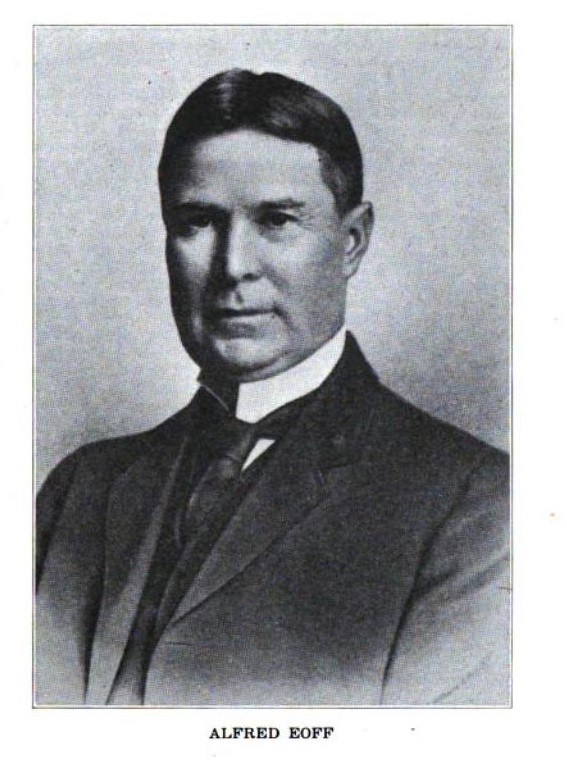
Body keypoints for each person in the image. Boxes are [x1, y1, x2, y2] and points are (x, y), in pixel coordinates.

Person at [35, 69, 510, 706]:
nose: (233, 267)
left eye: (277, 221)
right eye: (198, 222)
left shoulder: (479, 504)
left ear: (352, 242)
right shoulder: (80, 490)